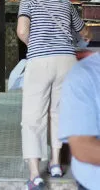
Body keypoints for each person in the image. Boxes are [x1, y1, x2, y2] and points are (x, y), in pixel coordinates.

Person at [17, 0, 91, 189]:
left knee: (33, 117)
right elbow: (84, 32)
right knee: (58, 112)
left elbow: (21, 31)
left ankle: (34, 175)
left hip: (40, 62)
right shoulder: (66, 3)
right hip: (67, 62)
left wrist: (36, 46)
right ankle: (56, 164)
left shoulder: (28, 1)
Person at [58, 53, 100, 190]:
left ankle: (52, 164)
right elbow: (83, 148)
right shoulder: (84, 75)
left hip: (45, 60)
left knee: (38, 121)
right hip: (94, 184)